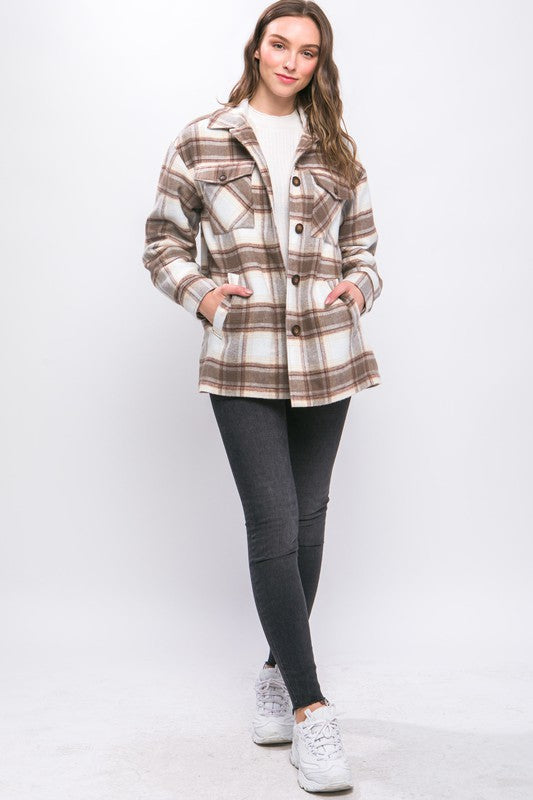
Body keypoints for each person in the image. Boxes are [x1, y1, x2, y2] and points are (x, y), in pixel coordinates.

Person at [143, 1, 383, 793]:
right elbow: (162, 241)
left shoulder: (334, 147)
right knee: (273, 522)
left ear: (319, 64)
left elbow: (364, 247)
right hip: (243, 355)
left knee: (308, 520)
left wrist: (358, 286)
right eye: (279, 44)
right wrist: (204, 295)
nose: (290, 61)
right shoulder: (202, 138)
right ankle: (312, 711)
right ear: (256, 48)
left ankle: (278, 676)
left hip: (326, 356)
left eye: (307, 52)